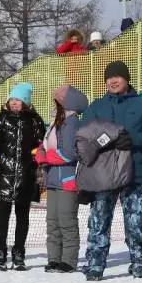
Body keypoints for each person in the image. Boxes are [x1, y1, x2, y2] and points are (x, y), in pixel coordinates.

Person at [81, 61, 142, 281]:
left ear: (126, 79)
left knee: (137, 222)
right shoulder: (96, 107)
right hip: (103, 174)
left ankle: (141, 264)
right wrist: (103, 142)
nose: (113, 81)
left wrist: (133, 139)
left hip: (135, 172)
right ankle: (95, 264)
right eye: (109, 78)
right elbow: (83, 136)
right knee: (99, 221)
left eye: (117, 77)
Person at [0, 82, 45, 271]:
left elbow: (42, 145)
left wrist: (36, 166)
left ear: (26, 102)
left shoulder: (35, 121)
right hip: (4, 175)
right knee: (2, 216)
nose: (15, 103)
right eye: (12, 99)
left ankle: (19, 253)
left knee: (22, 216)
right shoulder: (2, 119)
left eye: (19, 100)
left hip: (25, 177)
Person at [36, 84, 88, 273]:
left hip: (68, 179)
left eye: (58, 99)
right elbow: (46, 144)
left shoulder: (71, 122)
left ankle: (69, 260)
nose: (55, 102)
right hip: (52, 178)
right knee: (52, 221)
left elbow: (69, 153)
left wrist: (46, 156)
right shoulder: (56, 122)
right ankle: (54, 258)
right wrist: (40, 152)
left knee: (66, 220)